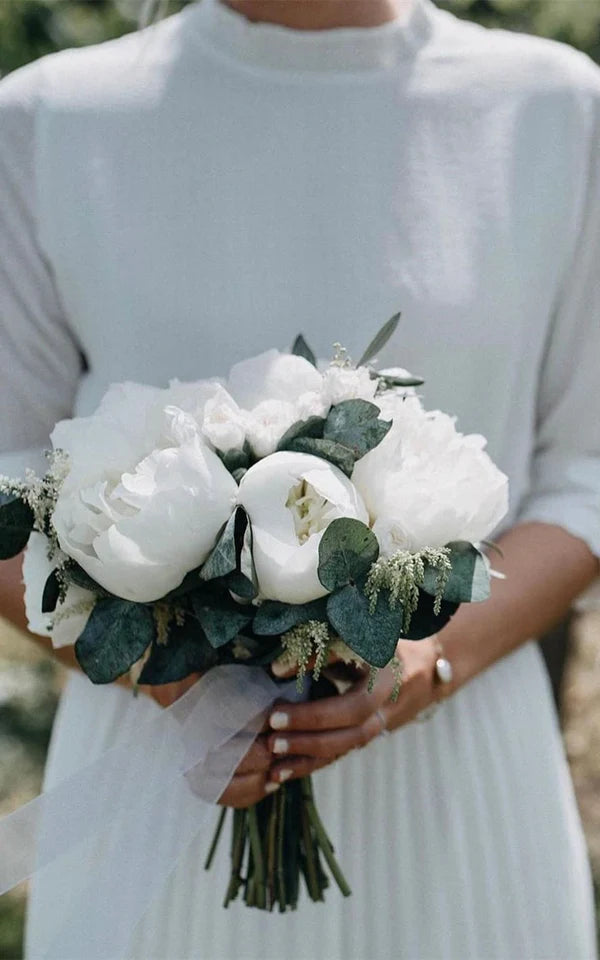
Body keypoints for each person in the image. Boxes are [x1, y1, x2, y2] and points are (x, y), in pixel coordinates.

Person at [0, 0, 599, 956]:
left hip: (462, 786)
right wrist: (163, 673)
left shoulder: (556, 110)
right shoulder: (48, 120)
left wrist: (421, 662)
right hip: (161, 777)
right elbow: (7, 471)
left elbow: (586, 472)